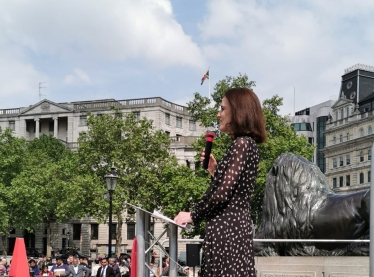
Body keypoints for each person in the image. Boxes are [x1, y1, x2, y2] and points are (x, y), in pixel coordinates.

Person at [174, 87, 266, 277]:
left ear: (238, 111)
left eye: (223, 109)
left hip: (228, 232)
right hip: (233, 230)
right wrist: (215, 171)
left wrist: (193, 214)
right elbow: (234, 192)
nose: (219, 114)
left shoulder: (242, 144)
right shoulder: (246, 144)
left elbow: (222, 194)